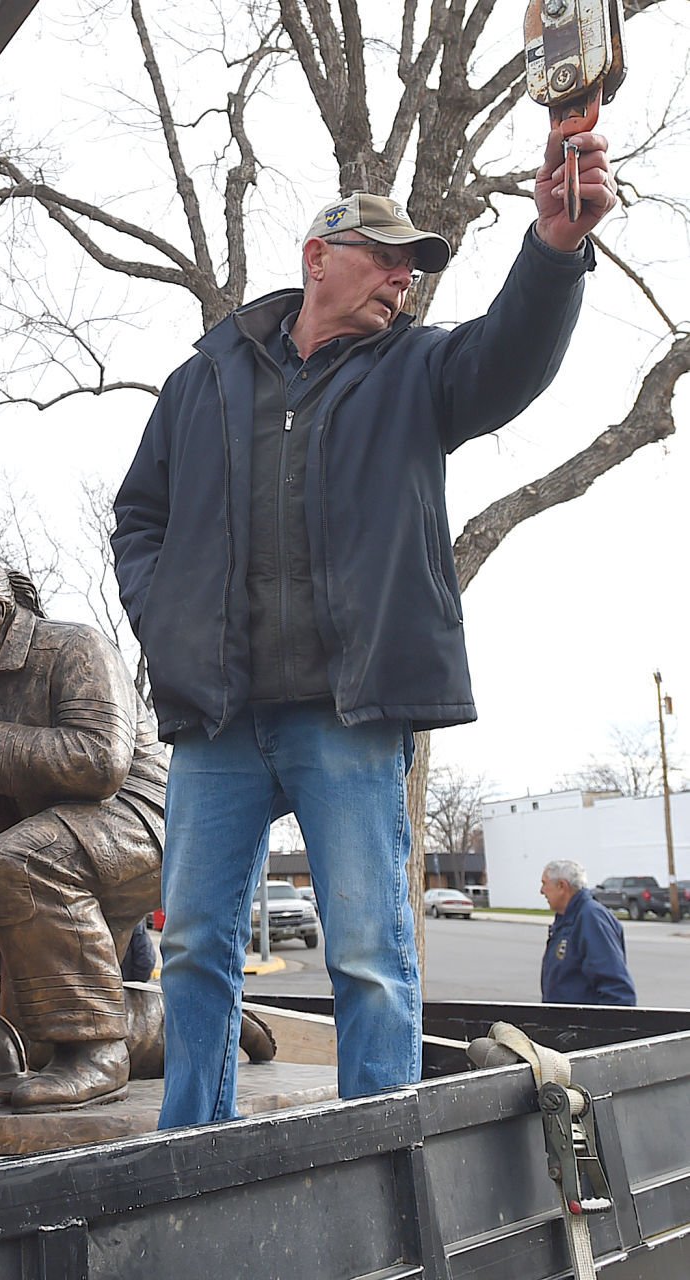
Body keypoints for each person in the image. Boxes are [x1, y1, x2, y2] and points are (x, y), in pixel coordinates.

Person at [111, 126, 618, 1129]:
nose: (404, 282)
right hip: (216, 717)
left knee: (366, 949)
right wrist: (163, 622)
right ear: (318, 260)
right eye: (387, 259)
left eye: (415, 269)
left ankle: (379, 1158)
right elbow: (140, 518)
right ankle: (186, 1152)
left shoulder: (415, 372)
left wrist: (554, 249)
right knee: (195, 945)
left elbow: (510, 353)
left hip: (347, 714)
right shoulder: (203, 381)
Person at [0, 547, 165, 1110]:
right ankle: (191, 1026)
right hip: (73, 840)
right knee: (38, 1042)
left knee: (19, 860)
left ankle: (99, 1056)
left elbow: (101, 760)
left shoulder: (75, 647)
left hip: (143, 819)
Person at [540, 859, 636, 1006]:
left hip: (583, 1025)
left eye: (544, 883)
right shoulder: (566, 919)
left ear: (562, 886)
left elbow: (617, 989)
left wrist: (609, 1026)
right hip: (563, 1024)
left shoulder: (591, 918)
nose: (542, 891)